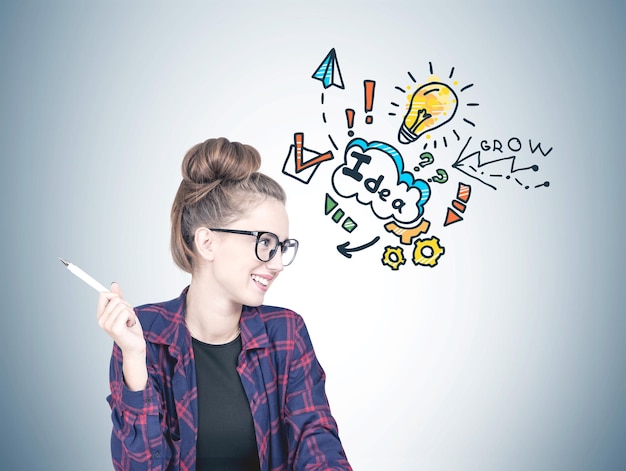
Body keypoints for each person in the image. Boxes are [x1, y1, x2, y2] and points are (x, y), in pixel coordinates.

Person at [96, 137, 352, 470]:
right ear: (207, 242)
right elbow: (138, 466)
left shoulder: (286, 333)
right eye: (265, 243)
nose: (276, 264)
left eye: (282, 247)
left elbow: (316, 439)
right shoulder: (143, 336)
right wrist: (133, 359)